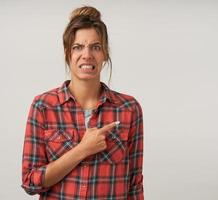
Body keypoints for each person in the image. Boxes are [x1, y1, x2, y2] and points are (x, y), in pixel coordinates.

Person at [21, 6, 144, 200]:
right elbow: (30, 182)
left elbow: (135, 184)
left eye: (95, 47)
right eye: (78, 47)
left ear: (105, 54)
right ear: (67, 53)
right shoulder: (44, 106)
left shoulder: (129, 109)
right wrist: (82, 149)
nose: (87, 55)